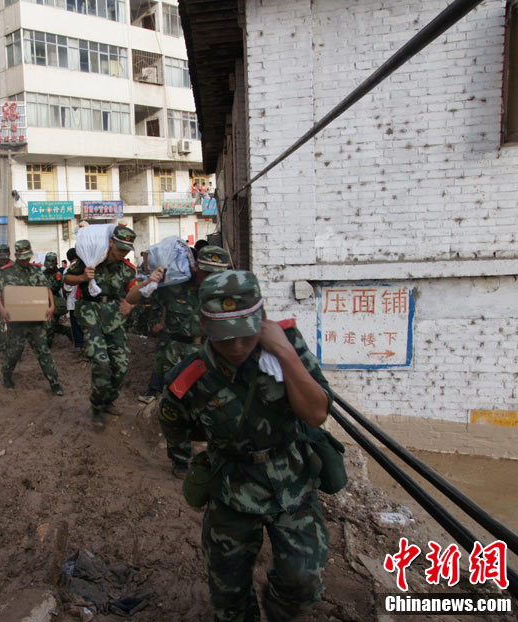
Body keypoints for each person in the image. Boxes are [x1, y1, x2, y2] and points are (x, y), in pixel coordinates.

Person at [159, 270, 332, 622]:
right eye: (225, 338)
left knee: (303, 583)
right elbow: (175, 425)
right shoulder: (191, 376)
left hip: (291, 482)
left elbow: (316, 414)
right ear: (204, 326)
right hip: (231, 489)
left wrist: (284, 352)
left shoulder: (287, 344)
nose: (237, 347)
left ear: (262, 318)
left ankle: (278, 609)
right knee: (229, 596)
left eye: (246, 335)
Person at [127, 246, 231, 474]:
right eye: (206, 272)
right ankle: (180, 460)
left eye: (217, 273)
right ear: (196, 267)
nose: (211, 278)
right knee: (177, 408)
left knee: (216, 408)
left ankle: (215, 458)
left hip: (212, 355)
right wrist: (149, 281)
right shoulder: (174, 286)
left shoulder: (227, 292)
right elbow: (131, 298)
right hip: (177, 355)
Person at [63, 225, 138, 429]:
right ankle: (97, 406)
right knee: (101, 361)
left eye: (126, 250)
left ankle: (108, 400)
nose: (123, 253)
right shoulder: (92, 259)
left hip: (114, 316)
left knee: (121, 365)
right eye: (120, 248)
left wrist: (131, 304)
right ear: (111, 243)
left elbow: (134, 291)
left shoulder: (127, 268)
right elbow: (67, 278)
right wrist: (82, 278)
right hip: (91, 312)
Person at [0, 240, 63, 395]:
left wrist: (52, 306)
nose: (25, 261)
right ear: (16, 255)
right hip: (16, 323)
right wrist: (2, 309)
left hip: (36, 322)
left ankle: (55, 383)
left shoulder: (36, 271)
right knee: (14, 353)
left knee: (44, 352)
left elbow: (46, 288)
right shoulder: (7, 272)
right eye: (22, 258)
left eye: (27, 257)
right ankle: (6, 376)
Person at [43, 252, 72, 348]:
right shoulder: (43, 273)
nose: (50, 268)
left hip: (54, 302)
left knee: (50, 324)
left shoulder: (58, 275)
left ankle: (47, 346)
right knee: (50, 324)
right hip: (43, 301)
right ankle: (67, 331)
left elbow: (54, 288)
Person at [64, 248, 85, 351]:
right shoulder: (85, 266)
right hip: (86, 302)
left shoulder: (68, 270)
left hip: (73, 302)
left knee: (76, 326)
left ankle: (80, 347)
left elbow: (67, 288)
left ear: (69, 259)